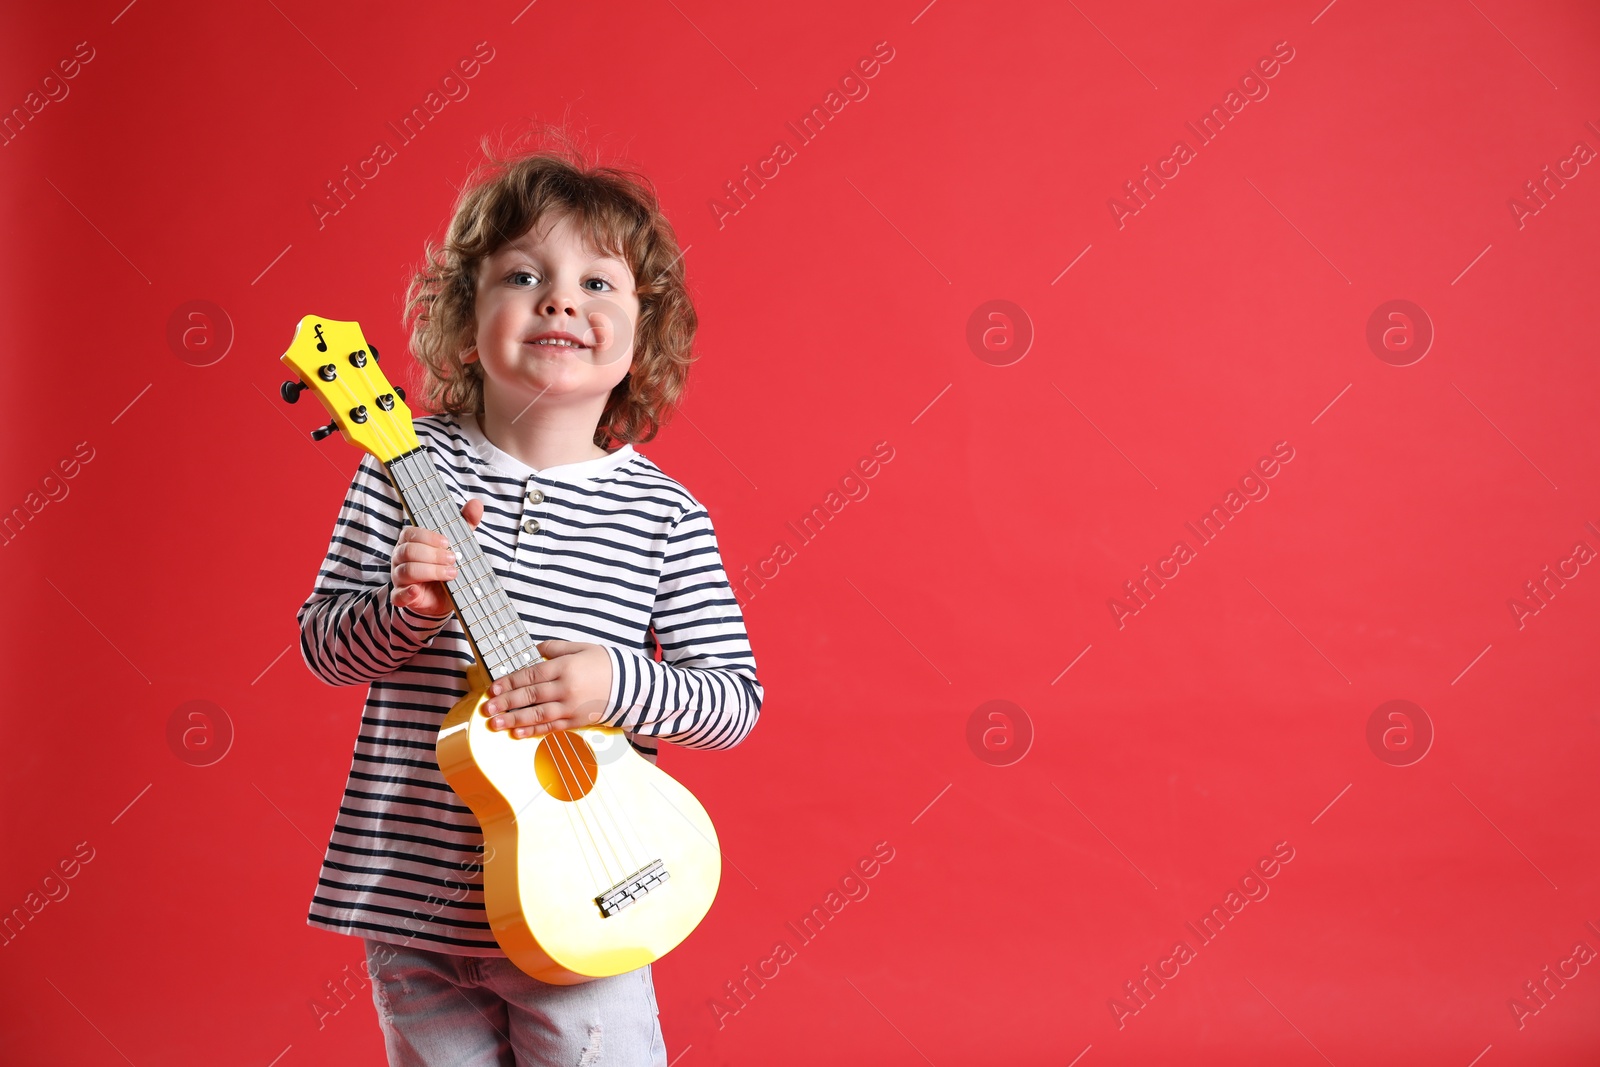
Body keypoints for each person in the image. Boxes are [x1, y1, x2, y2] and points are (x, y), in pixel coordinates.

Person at [295, 128, 763, 1066]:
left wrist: (613, 683)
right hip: (416, 900)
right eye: (522, 276)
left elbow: (734, 701)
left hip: (592, 887)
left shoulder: (666, 514)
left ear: (644, 335)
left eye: (599, 282)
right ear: (464, 322)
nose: (559, 297)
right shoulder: (400, 467)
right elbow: (321, 646)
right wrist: (406, 613)